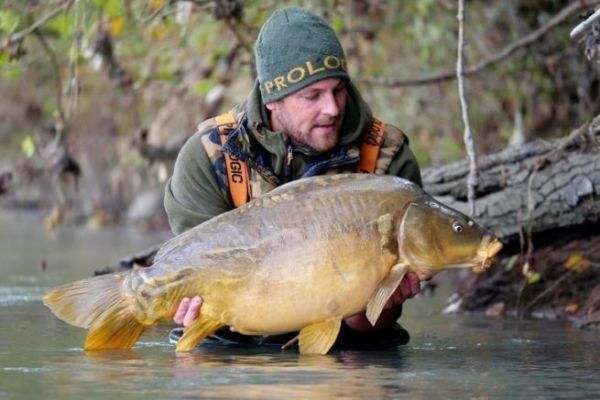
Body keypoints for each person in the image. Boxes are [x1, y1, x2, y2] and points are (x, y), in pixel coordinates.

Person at [163, 6, 422, 349]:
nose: (331, 108)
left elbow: (373, 321)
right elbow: (191, 273)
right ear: (273, 101)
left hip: (350, 345)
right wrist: (184, 304)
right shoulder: (210, 156)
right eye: (312, 96)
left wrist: (382, 303)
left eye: (338, 90)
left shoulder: (387, 158)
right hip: (233, 341)